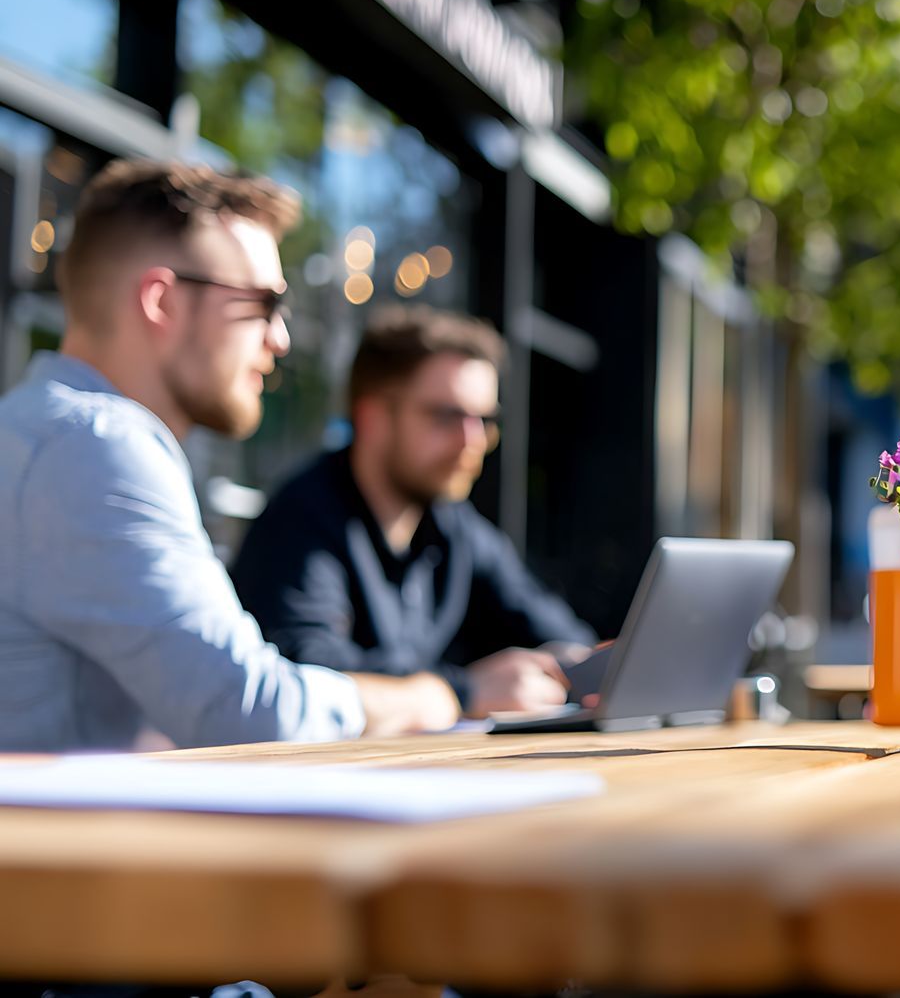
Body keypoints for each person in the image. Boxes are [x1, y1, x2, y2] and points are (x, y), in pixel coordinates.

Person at [0, 159, 459, 752]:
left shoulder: (38, 430)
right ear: (161, 301)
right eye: (262, 304)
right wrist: (433, 697)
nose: (281, 338)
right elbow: (250, 713)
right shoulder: (95, 446)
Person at [230, 306, 595, 717]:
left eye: (485, 420)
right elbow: (314, 678)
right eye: (447, 416)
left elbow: (553, 630)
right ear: (373, 418)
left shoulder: (453, 524)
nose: (472, 440)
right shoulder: (302, 520)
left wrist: (590, 668)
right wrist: (466, 691)